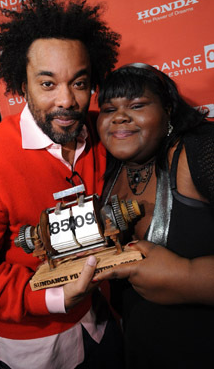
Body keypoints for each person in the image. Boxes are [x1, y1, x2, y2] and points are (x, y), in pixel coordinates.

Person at [0, 0, 122, 369]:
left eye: (80, 82)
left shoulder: (101, 137)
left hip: (102, 326)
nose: (67, 101)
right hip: (34, 350)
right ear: (21, 85)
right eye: (48, 84)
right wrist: (51, 298)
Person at [94, 63, 214, 368]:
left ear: (169, 110)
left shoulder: (201, 151)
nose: (119, 116)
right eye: (109, 109)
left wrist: (188, 276)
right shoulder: (109, 171)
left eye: (137, 105)